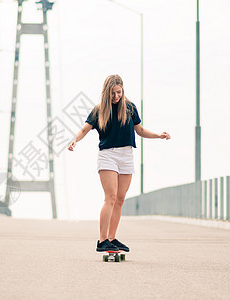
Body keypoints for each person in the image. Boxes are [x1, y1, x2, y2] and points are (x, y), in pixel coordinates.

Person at [67, 74, 171, 252]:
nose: (116, 97)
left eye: (119, 92)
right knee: (111, 197)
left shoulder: (130, 107)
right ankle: (102, 240)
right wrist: (75, 140)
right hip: (108, 155)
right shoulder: (99, 110)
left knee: (120, 199)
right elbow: (85, 128)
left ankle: (112, 238)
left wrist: (158, 135)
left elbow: (139, 130)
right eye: (113, 93)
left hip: (126, 155)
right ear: (106, 93)